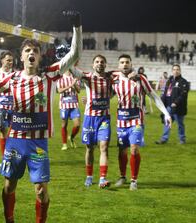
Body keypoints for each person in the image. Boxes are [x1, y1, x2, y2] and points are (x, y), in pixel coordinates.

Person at [0, 14, 82, 223]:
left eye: (35, 51)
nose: (31, 53)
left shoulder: (50, 75)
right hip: (15, 141)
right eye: (27, 50)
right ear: (21, 57)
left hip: (38, 142)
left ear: (39, 57)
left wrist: (77, 26)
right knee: (9, 185)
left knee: (40, 190)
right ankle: (9, 219)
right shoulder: (11, 79)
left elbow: (74, 53)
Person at [112, 54, 172, 190]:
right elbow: (105, 94)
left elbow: (154, 96)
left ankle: (134, 180)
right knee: (122, 150)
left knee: (134, 149)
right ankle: (122, 177)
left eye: (127, 62)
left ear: (131, 64)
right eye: (122, 62)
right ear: (118, 65)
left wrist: (166, 113)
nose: (125, 64)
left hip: (136, 120)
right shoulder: (114, 80)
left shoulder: (140, 79)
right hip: (121, 120)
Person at [71, 55, 113, 188]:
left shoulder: (110, 78)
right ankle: (89, 176)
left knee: (104, 147)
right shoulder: (88, 77)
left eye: (102, 62)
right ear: (93, 65)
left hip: (104, 118)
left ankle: (102, 178)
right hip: (90, 118)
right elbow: (73, 70)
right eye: (97, 62)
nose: (99, 64)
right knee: (89, 148)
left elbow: (114, 90)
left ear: (105, 64)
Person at [155, 64, 189, 145]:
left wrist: (176, 103)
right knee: (167, 122)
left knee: (180, 124)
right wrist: (161, 103)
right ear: (172, 71)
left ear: (180, 71)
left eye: (177, 69)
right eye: (174, 69)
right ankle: (164, 139)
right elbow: (165, 93)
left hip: (179, 107)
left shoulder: (184, 82)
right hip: (169, 107)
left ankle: (182, 139)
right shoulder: (169, 81)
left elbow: (183, 95)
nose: (176, 71)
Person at [56, 67, 81, 150]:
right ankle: (64, 144)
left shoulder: (75, 77)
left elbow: (78, 91)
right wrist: (70, 85)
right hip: (64, 105)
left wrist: (74, 84)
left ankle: (71, 137)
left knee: (77, 125)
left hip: (74, 105)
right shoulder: (60, 78)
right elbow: (59, 90)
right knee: (64, 125)